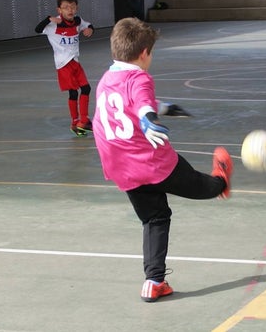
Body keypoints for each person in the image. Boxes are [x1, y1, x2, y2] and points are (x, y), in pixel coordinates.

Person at [91, 17, 232, 303]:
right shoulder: (140, 77)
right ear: (144, 53)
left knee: (154, 218)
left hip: (121, 167)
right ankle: (221, 182)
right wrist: (149, 121)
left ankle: (154, 281)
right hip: (152, 162)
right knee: (200, 187)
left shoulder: (107, 79)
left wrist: (164, 109)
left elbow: (133, 102)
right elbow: (141, 103)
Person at [35, 0, 95, 136]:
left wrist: (90, 30)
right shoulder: (54, 25)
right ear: (59, 10)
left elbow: (88, 25)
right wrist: (48, 19)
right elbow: (37, 29)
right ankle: (75, 122)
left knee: (86, 88)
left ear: (77, 8)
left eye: (72, 7)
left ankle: (84, 120)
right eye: (66, 8)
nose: (70, 10)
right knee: (73, 92)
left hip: (75, 62)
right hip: (63, 64)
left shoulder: (78, 21)